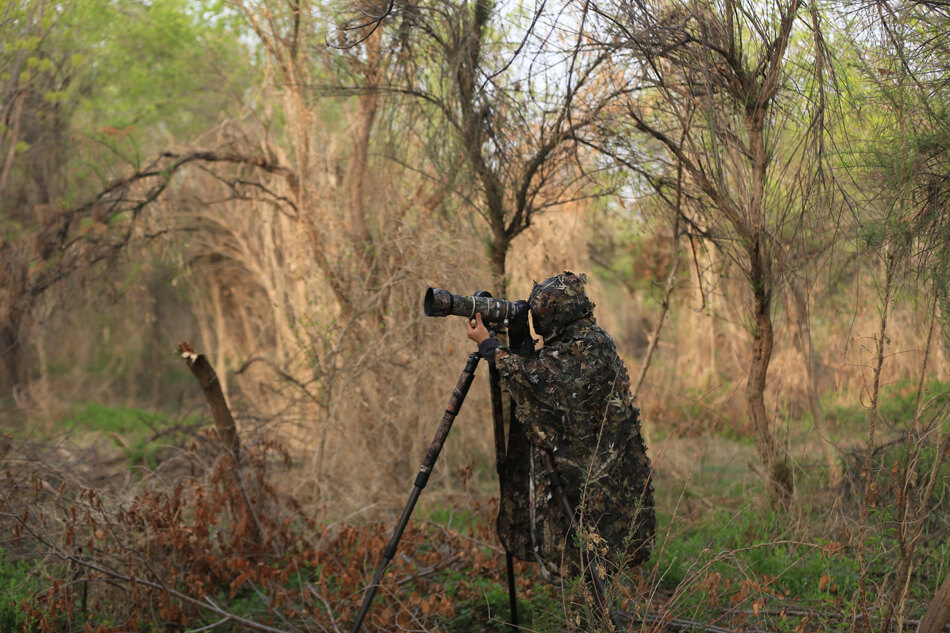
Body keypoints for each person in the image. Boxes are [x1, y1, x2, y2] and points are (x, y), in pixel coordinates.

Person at [466, 271, 655, 582]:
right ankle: (594, 609)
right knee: (596, 556)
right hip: (602, 470)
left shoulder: (585, 347)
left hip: (592, 477)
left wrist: (490, 347)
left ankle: (596, 617)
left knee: (590, 558)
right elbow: (548, 369)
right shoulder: (591, 338)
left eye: (541, 315)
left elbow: (540, 380)